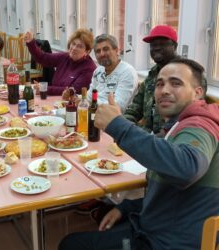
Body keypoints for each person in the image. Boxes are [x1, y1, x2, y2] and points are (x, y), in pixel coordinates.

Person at [59, 58, 219, 250]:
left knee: (70, 244)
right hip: (163, 225)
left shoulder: (200, 124)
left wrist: (118, 126)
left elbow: (187, 168)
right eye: (160, 84)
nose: (165, 90)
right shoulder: (179, 124)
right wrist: (126, 208)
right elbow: (168, 196)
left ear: (198, 93)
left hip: (167, 242)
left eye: (176, 83)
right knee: (106, 213)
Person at [124, 25, 180, 133]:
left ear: (174, 46)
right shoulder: (153, 74)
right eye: (153, 45)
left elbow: (186, 116)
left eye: (162, 44)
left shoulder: (189, 74)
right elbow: (136, 106)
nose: (157, 48)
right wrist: (125, 125)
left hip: (171, 139)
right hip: (147, 135)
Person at [23, 28, 96, 95]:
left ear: (87, 51)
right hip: (54, 101)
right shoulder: (65, 57)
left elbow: (73, 91)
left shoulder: (89, 68)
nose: (74, 48)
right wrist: (31, 43)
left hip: (70, 104)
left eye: (80, 46)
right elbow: (43, 58)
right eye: (73, 44)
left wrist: (45, 88)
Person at [87, 34, 138, 112]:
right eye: (98, 51)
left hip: (115, 120)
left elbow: (117, 107)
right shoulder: (98, 71)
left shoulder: (127, 72)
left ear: (117, 50)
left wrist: (91, 104)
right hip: (95, 114)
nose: (102, 54)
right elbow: (89, 97)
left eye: (106, 49)